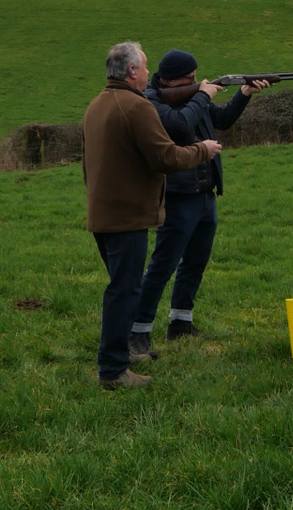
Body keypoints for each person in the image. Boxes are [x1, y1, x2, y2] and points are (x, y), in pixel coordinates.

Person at [82, 41, 221, 390]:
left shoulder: (97, 104)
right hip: (128, 215)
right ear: (132, 71)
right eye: (145, 67)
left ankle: (120, 356)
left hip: (104, 212)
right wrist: (202, 150)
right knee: (124, 291)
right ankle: (113, 370)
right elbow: (166, 157)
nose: (149, 73)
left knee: (122, 288)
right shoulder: (137, 106)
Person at [128, 49, 269, 359]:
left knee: (195, 262)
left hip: (205, 192)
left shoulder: (193, 97)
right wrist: (203, 95)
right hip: (178, 196)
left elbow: (223, 120)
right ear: (172, 81)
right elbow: (179, 125)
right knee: (163, 266)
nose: (197, 81)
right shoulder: (152, 101)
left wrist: (244, 93)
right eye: (191, 78)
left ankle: (181, 322)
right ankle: (137, 332)